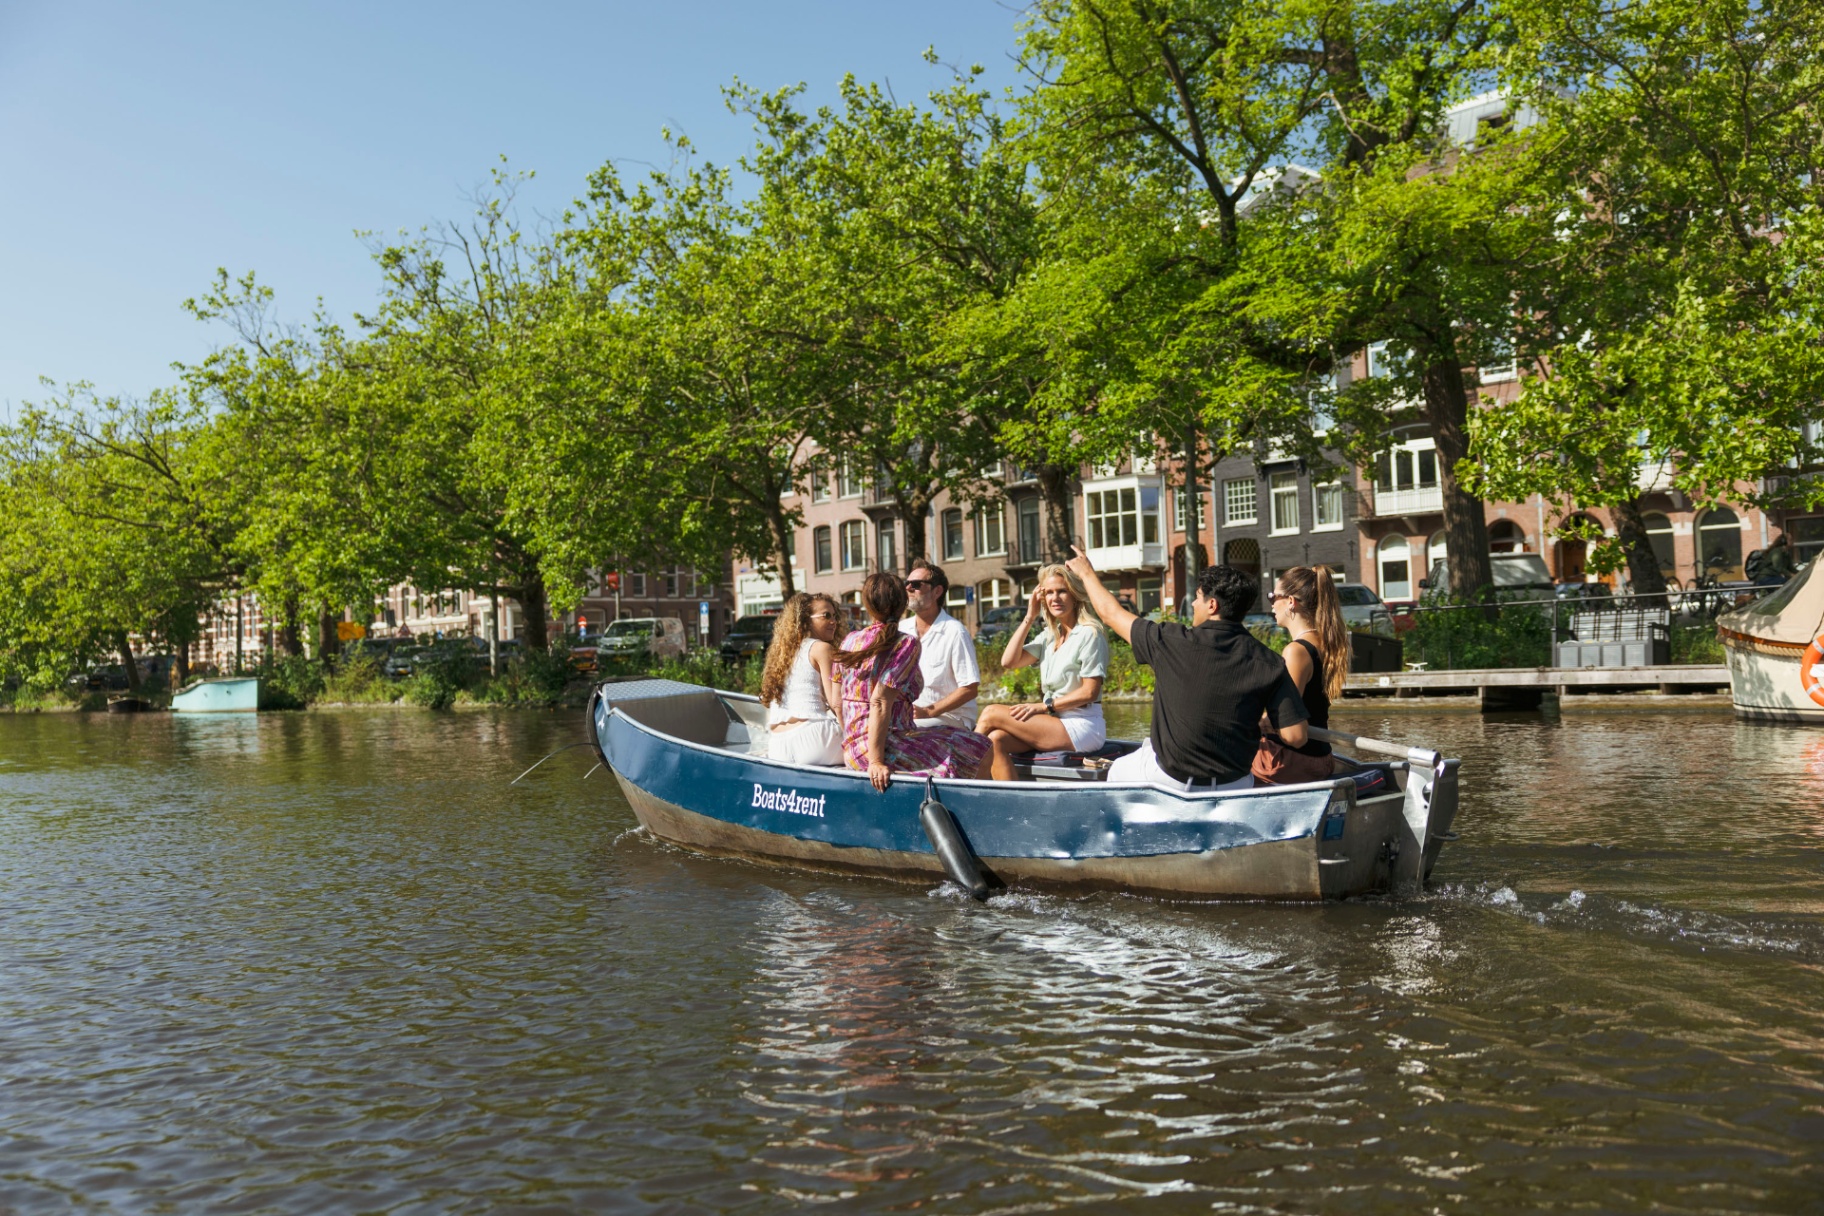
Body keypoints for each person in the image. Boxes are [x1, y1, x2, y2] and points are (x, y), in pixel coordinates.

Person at [1063, 548, 1308, 791]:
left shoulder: (1169, 641)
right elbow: (1296, 736)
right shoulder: (1271, 662)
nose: (1192, 602)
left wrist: (1086, 573)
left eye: (1197, 596)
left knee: (1117, 770)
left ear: (1212, 605)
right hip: (1234, 784)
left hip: (1173, 778)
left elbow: (1110, 613)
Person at [835, 572, 994, 791]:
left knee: (950, 738)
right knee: (981, 745)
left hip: (853, 748)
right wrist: (875, 761)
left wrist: (854, 743)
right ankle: (977, 812)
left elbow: (837, 702)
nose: (911, 588)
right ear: (902, 603)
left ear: (867, 604)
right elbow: (880, 702)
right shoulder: (905, 643)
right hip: (884, 746)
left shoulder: (849, 640)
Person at [975, 564, 1109, 781]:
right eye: (1049, 592)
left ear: (1075, 595)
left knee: (991, 712)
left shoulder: (1090, 634)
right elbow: (1009, 661)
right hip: (1054, 722)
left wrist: (1043, 706)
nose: (1055, 598)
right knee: (995, 739)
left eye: (1062, 591)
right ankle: (1011, 801)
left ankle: (959, 765)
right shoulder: (1049, 636)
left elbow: (1089, 693)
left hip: (1082, 726)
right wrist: (1029, 616)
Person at [1253, 566, 1349, 786]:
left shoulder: (1296, 652)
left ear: (1290, 602)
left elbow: (1285, 718)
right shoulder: (1326, 645)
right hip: (1321, 757)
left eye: (1273, 596)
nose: (1271, 604)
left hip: (1289, 761)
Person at [756, 593, 845, 766]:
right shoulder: (821, 648)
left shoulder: (781, 655)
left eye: (835, 616)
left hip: (778, 745)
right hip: (814, 738)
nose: (834, 621)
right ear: (806, 620)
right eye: (826, 616)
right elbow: (837, 703)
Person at [899, 562, 981, 730]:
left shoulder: (955, 632)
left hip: (952, 718)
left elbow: (969, 689)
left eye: (916, 585)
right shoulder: (901, 630)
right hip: (911, 717)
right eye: (905, 583)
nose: (908, 588)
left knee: (905, 733)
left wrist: (929, 711)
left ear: (937, 591)